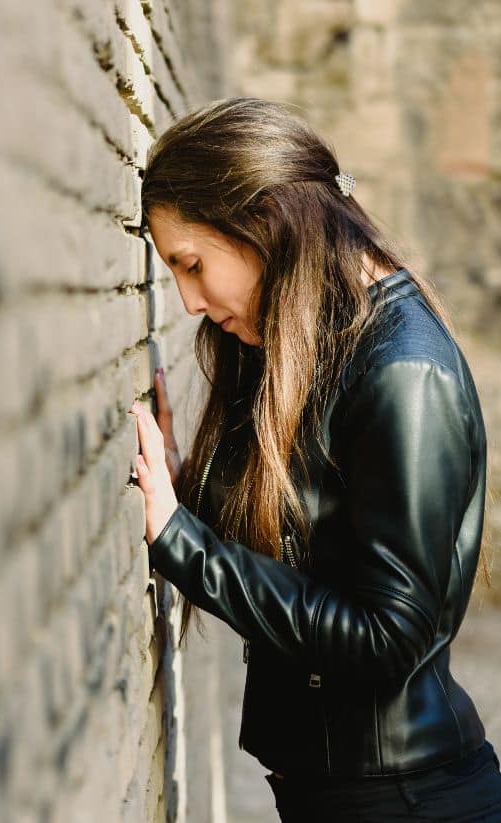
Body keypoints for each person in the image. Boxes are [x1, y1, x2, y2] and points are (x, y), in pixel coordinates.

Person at [128, 96, 501, 821]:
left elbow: (385, 636)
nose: (188, 301)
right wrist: (179, 492)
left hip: (406, 801)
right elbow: (303, 556)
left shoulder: (402, 370)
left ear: (262, 221)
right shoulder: (319, 346)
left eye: (193, 263)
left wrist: (181, 542)